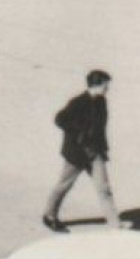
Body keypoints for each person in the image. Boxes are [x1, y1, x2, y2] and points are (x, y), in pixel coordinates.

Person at [44, 70, 122, 231]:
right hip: (77, 154)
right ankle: (49, 215)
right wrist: (78, 132)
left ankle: (116, 227)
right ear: (97, 85)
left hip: (95, 153)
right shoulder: (78, 102)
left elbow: (100, 129)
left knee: (104, 188)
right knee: (64, 184)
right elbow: (59, 119)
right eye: (106, 85)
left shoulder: (101, 102)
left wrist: (102, 149)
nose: (108, 88)